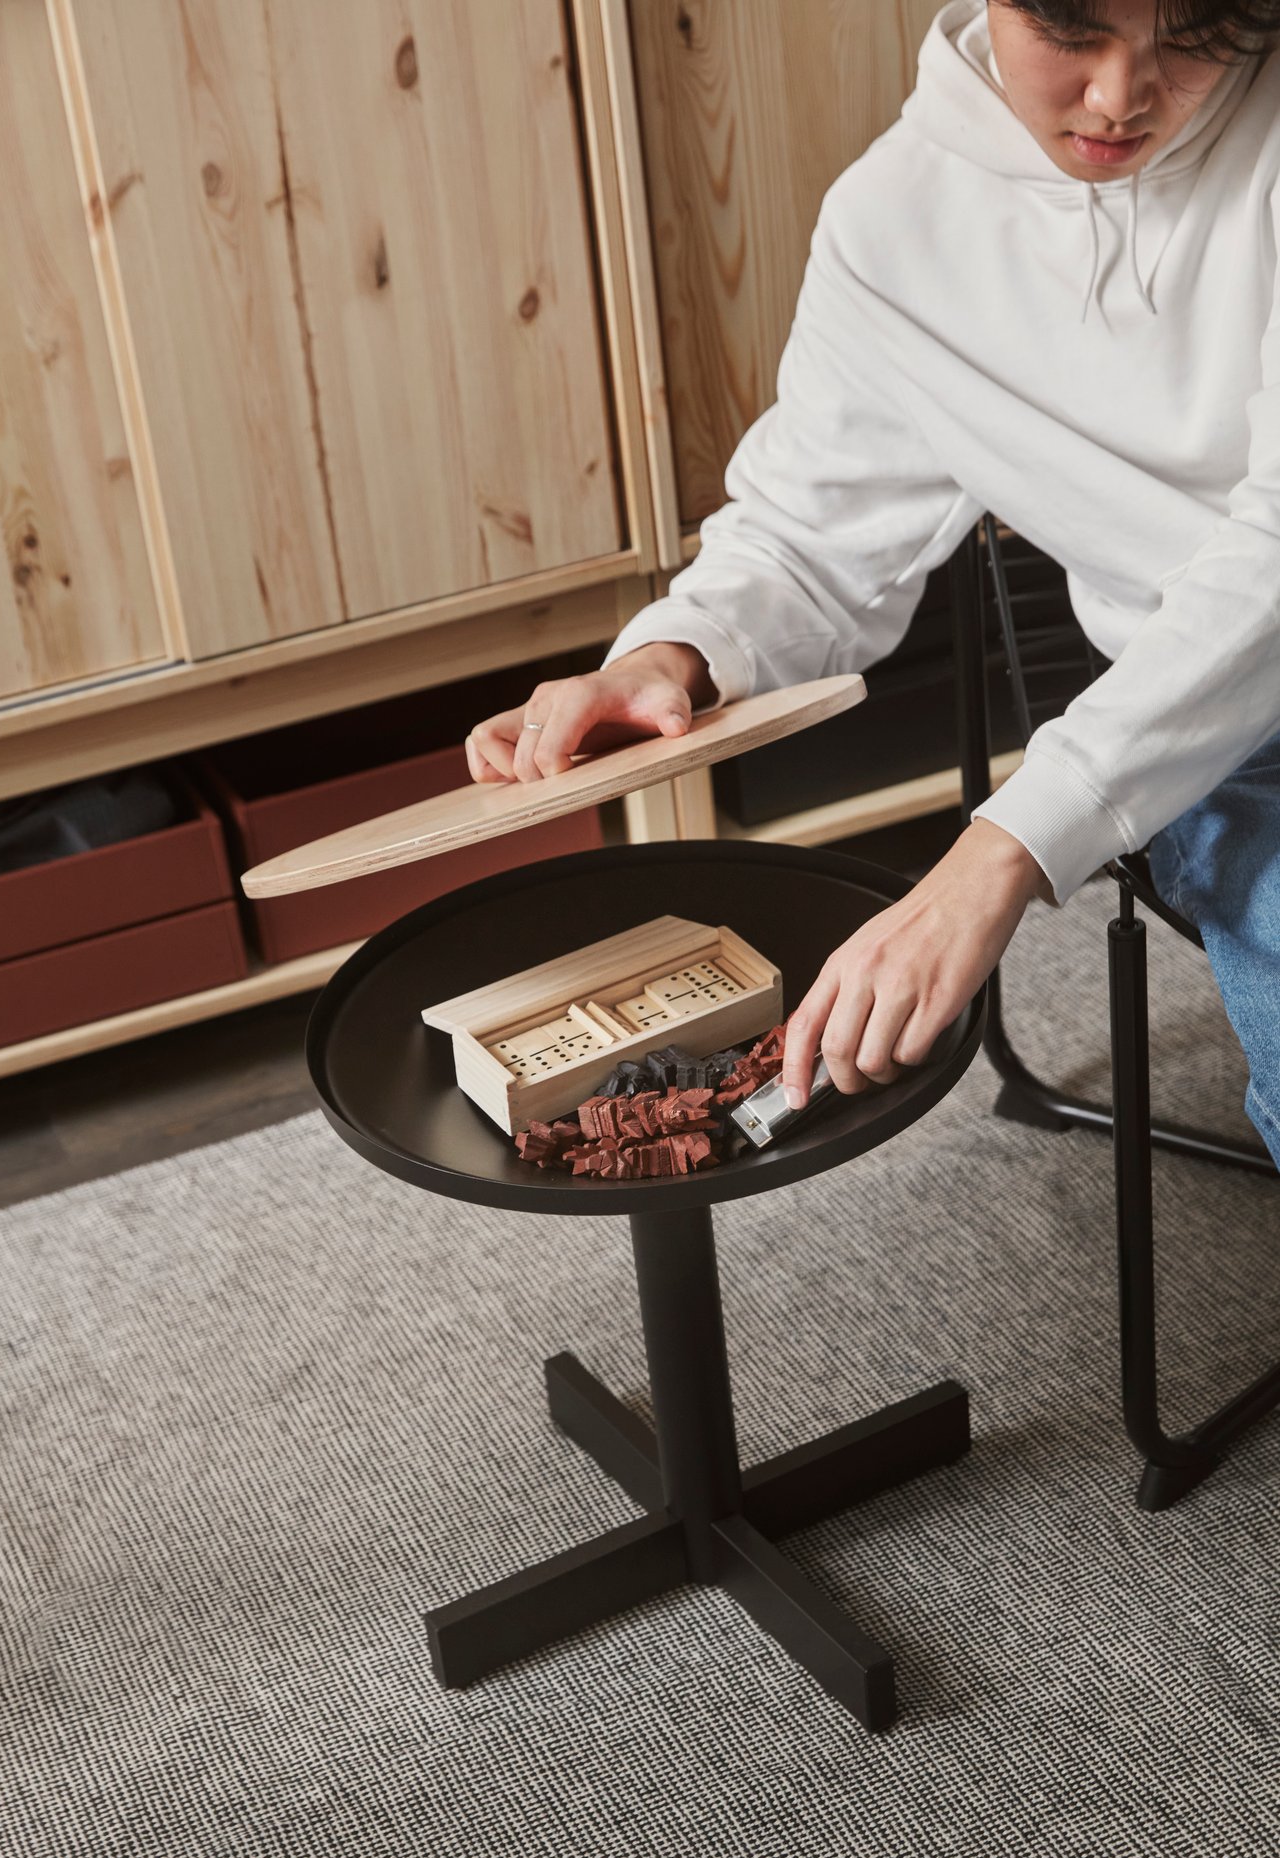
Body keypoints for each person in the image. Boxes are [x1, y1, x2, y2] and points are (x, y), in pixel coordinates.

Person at [464, 0, 1280, 1170]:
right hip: (1220, 735)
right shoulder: (896, 224)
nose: (1119, 94)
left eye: (1191, 33)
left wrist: (998, 849)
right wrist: (671, 653)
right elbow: (809, 529)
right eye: (1073, 28)